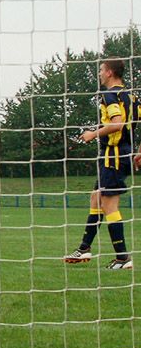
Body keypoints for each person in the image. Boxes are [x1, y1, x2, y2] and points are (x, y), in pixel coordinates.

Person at [65, 58, 133, 269]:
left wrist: (92, 134)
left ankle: (123, 258)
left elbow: (118, 123)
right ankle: (84, 249)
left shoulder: (109, 94)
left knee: (108, 204)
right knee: (96, 199)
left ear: (111, 72)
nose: (99, 73)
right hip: (120, 154)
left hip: (113, 155)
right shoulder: (131, 96)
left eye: (101, 70)